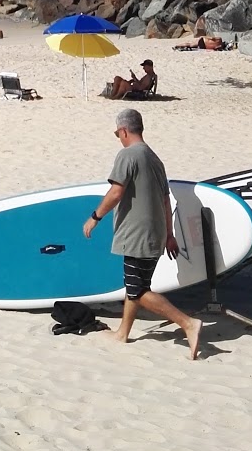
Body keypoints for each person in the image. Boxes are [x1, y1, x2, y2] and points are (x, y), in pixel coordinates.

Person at [83, 109, 202, 359]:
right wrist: (169, 234)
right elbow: (165, 200)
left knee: (137, 290)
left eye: (118, 134)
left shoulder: (128, 155)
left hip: (137, 233)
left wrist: (94, 218)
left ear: (124, 131)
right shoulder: (154, 159)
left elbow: (116, 192)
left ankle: (188, 324)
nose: (119, 138)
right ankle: (122, 333)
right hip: (156, 233)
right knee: (136, 285)